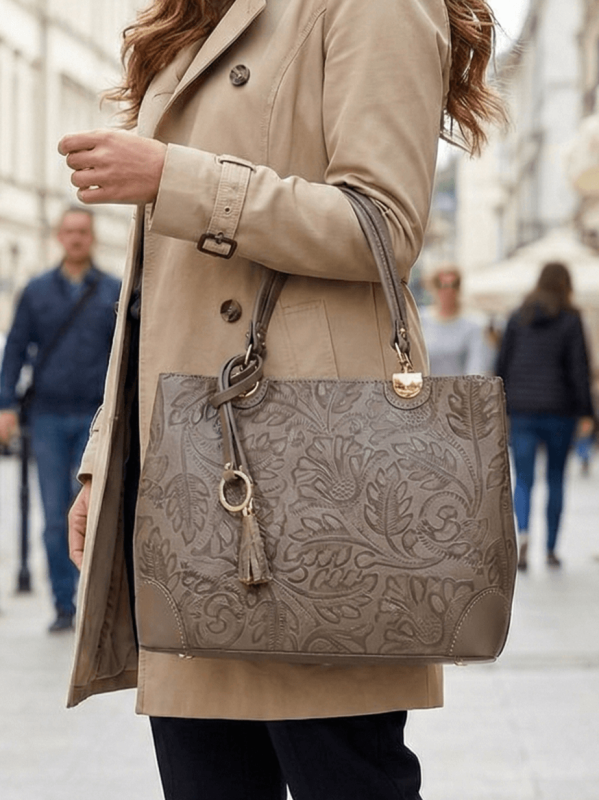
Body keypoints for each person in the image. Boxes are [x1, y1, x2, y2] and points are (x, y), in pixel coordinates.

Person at [58, 1, 505, 797]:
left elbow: (383, 223)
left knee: (339, 771)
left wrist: (175, 176)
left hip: (305, 479)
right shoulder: (204, 11)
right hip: (194, 470)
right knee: (206, 778)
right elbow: (153, 300)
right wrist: (106, 459)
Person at [0, 208, 120, 631]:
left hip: (96, 419)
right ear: (58, 237)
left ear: (92, 237)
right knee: (55, 515)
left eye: (82, 232)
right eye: (69, 232)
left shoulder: (112, 292)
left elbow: (125, 359)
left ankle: (94, 600)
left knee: (93, 511)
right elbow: (14, 349)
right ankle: (64, 604)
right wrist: (6, 405)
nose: (75, 238)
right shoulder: (36, 292)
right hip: (48, 417)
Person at [496, 262, 594, 571]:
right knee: (555, 478)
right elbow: (579, 369)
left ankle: (523, 534)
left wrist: (502, 407)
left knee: (523, 479)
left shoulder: (517, 317)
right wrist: (587, 412)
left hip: (522, 409)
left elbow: (502, 364)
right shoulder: (571, 319)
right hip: (559, 411)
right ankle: (551, 548)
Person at [420, 265, 496, 376]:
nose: (448, 291)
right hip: (427, 390)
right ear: (433, 288)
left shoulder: (475, 325)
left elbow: (478, 368)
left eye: (453, 285)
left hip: (462, 391)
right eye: (442, 286)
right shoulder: (420, 321)